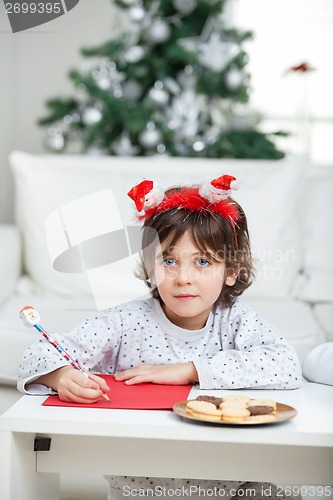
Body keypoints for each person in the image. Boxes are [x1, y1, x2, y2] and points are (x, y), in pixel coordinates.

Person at [17, 175, 302, 500]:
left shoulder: (236, 320)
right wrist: (61, 375)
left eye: (202, 261)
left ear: (232, 271)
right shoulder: (122, 321)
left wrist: (188, 369)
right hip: (139, 488)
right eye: (168, 261)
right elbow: (40, 351)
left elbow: (286, 364)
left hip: (227, 485)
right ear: (150, 268)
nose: (183, 278)